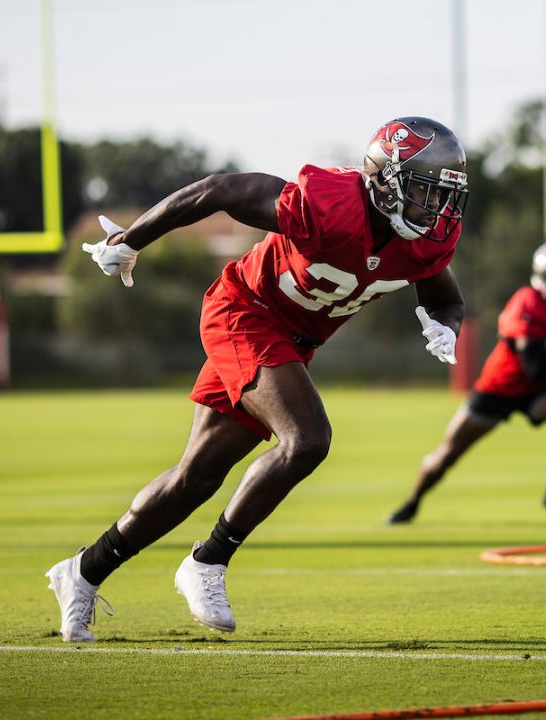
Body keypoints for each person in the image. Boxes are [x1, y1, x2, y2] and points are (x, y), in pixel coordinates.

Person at [46, 117, 470, 642]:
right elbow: (218, 190)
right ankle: (209, 560)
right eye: (426, 193)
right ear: (383, 180)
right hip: (243, 313)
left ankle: (82, 572)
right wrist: (131, 240)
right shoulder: (328, 205)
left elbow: (444, 296)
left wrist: (444, 326)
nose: (438, 209)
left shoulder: (427, 240)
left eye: (445, 196)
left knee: (194, 478)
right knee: (308, 439)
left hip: (290, 342)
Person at [387, 239, 546, 525]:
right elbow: (536, 367)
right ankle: (412, 502)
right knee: (448, 454)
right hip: (499, 390)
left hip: (539, 390)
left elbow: (544, 370)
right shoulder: (527, 304)